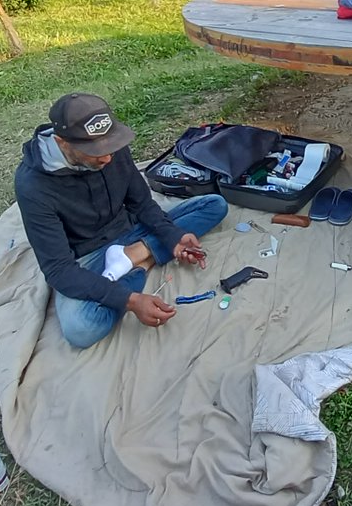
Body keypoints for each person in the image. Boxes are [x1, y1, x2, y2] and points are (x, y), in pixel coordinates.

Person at [14, 93, 228, 347]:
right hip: (87, 254)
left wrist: (173, 237)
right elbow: (58, 269)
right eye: (94, 152)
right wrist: (130, 299)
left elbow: (142, 203)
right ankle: (140, 263)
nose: (107, 158)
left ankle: (137, 253)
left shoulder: (110, 149)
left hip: (129, 228)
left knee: (215, 205)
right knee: (81, 330)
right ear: (62, 143)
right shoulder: (33, 186)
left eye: (110, 146)